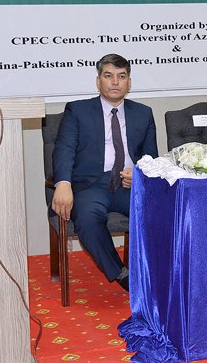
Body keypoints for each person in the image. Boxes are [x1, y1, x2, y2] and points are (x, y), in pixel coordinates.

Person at [51, 54, 158, 291]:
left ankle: (159, 271)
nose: (115, 82)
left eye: (121, 77)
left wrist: (139, 174)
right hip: (90, 186)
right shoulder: (77, 110)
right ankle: (121, 274)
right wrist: (63, 183)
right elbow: (64, 149)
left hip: (128, 184)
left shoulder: (143, 113)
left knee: (160, 211)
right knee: (88, 220)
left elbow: (151, 157)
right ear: (98, 80)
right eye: (108, 76)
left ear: (129, 82)